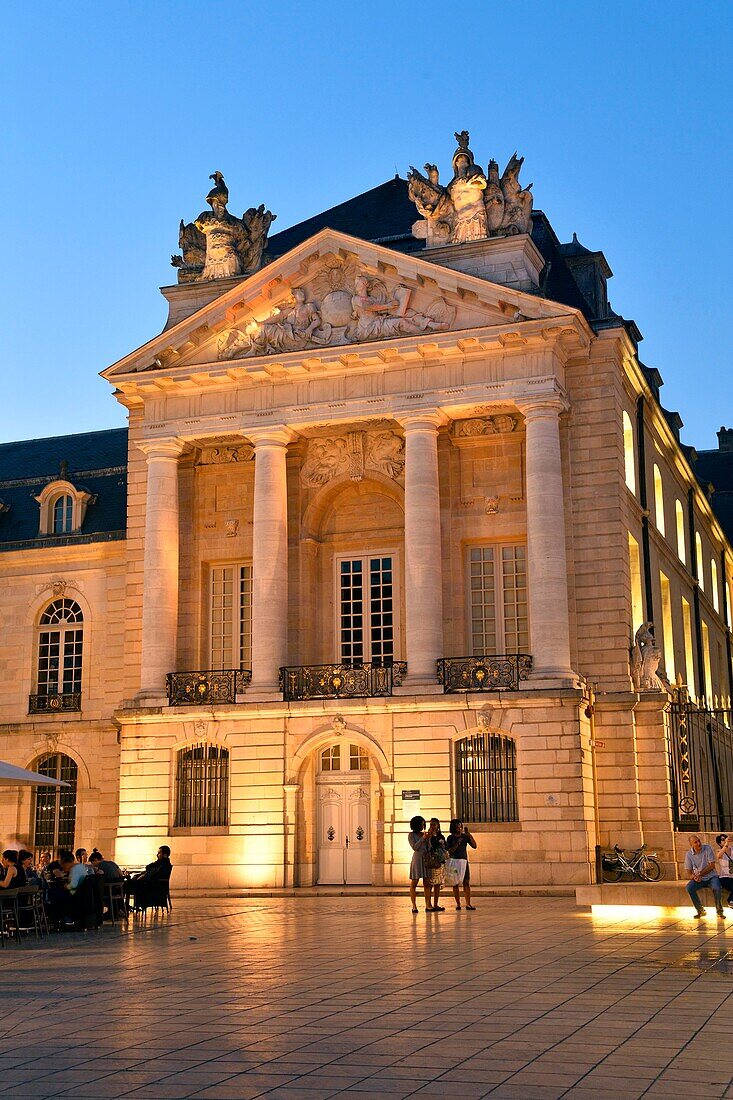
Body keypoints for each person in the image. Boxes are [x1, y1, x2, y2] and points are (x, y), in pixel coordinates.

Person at [685, 835, 726, 919]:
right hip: (700, 879)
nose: (699, 843)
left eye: (699, 841)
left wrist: (700, 874)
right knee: (689, 888)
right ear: (691, 844)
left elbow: (712, 866)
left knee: (717, 888)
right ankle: (700, 910)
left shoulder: (708, 848)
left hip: (711, 877)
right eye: (695, 842)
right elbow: (689, 871)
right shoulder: (689, 854)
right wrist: (694, 877)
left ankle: (719, 911)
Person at [125, 846, 172, 911]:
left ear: (165, 855)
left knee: (128, 885)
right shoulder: (159, 863)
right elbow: (149, 868)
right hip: (149, 883)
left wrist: (143, 876)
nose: (157, 855)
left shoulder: (164, 865)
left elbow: (155, 875)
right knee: (130, 883)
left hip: (152, 886)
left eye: (159, 853)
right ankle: (125, 906)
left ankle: (124, 906)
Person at [446, 820, 477, 911]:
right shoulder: (450, 838)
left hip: (464, 862)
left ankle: (468, 904)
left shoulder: (465, 836)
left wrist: (469, 835)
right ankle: (458, 903)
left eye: (460, 826)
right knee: (455, 883)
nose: (459, 829)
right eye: (457, 827)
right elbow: (449, 851)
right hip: (455, 862)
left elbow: (474, 846)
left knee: (466, 882)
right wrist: (457, 844)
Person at [407, 816, 431, 913]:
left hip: (425, 858)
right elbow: (415, 847)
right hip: (417, 859)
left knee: (427, 883)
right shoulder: (411, 835)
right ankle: (414, 905)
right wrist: (422, 839)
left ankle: (428, 904)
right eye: (421, 824)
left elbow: (429, 848)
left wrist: (428, 839)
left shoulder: (424, 834)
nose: (423, 826)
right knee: (414, 882)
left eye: (423, 824)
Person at [424, 819, 447, 912]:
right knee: (430, 884)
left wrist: (442, 845)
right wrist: (431, 837)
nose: (432, 826)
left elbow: (445, 846)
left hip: (440, 861)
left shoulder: (441, 835)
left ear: (438, 825)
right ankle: (428, 904)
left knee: (437, 884)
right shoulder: (428, 836)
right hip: (431, 862)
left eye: (434, 825)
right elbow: (429, 847)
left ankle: (436, 904)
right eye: (431, 824)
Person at [716, 833, 733, 909]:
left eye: (726, 838)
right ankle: (731, 901)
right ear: (720, 843)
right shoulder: (719, 851)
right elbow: (719, 856)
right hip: (724, 877)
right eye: (723, 840)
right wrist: (726, 844)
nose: (725, 840)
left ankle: (731, 900)